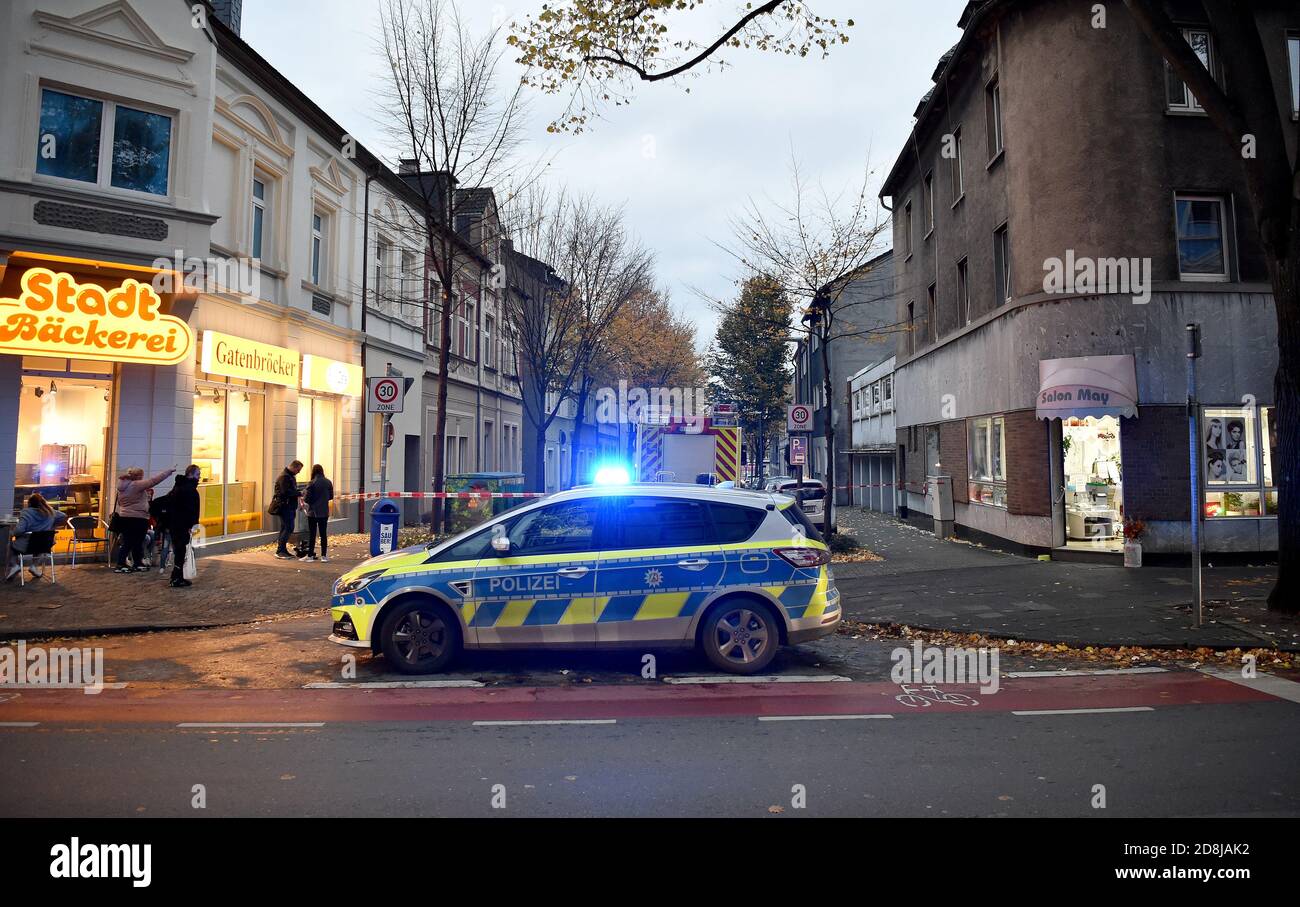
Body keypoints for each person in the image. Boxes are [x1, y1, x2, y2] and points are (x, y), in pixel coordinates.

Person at [114, 466, 175, 574]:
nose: (143, 478)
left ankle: (132, 562)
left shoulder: (122, 487)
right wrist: (168, 471)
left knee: (130, 541)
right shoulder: (136, 485)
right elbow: (154, 481)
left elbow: (120, 503)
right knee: (135, 541)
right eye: (141, 476)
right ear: (137, 476)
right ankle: (124, 563)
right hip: (138, 517)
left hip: (125, 517)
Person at [5, 493, 68, 582]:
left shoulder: (26, 513)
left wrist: (12, 533)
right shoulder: (51, 512)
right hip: (43, 545)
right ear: (43, 502)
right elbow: (63, 516)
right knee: (42, 545)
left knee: (11, 545)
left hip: (26, 546)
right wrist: (53, 526)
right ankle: (34, 566)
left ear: (29, 503)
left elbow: (19, 531)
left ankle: (15, 566)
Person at [162, 465, 202, 588]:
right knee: (180, 551)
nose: (199, 477)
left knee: (179, 551)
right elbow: (191, 510)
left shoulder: (178, 487)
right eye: (197, 474)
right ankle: (176, 578)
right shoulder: (189, 490)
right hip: (182, 526)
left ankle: (177, 576)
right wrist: (193, 526)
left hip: (175, 525)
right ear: (191, 474)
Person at [300, 463, 334, 562]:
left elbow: (307, 498)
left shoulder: (311, 483)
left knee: (312, 534)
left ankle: (310, 555)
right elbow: (331, 496)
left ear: (313, 472)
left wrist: (310, 501)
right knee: (323, 534)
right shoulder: (328, 482)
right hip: (324, 512)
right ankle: (324, 556)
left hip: (313, 512)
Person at [271, 460, 304, 559]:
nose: (299, 472)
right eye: (298, 470)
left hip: (288, 506)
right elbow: (285, 492)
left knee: (285, 528)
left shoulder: (288, 476)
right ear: (294, 467)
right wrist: (299, 493)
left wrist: (297, 492)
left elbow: (289, 491)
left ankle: (282, 550)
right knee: (288, 527)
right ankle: (280, 550)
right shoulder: (285, 477)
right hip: (285, 507)